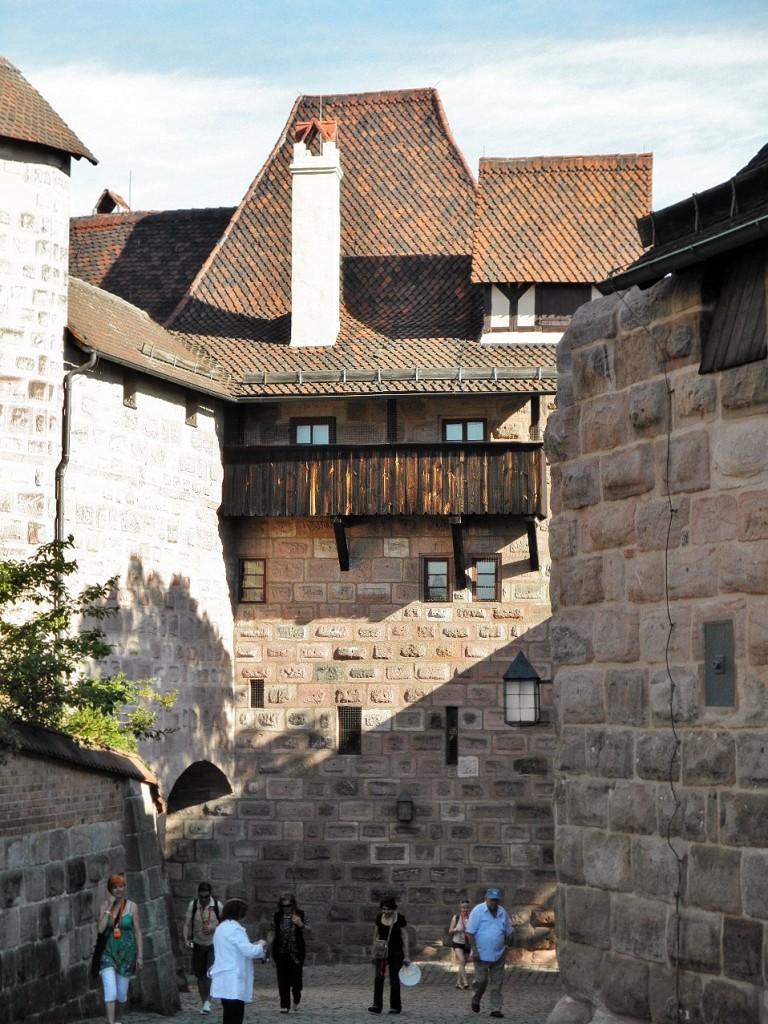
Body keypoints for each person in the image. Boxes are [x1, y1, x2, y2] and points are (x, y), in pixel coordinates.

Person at [208, 898, 267, 1024]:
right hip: (233, 977)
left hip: (224, 975)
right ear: (240, 914)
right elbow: (249, 951)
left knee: (228, 1014)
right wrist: (261, 945)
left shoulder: (221, 928)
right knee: (235, 1015)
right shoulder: (235, 929)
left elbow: (235, 948)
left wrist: (251, 945)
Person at [95, 874, 144, 1024]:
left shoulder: (132, 907)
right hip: (108, 953)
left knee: (121, 995)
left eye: (121, 886)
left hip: (127, 955)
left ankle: (117, 1020)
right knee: (110, 992)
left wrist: (140, 955)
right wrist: (109, 908)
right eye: (115, 887)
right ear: (110, 889)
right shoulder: (104, 906)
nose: (118, 890)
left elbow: (137, 932)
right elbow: (101, 929)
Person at [465, 888, 513, 1018]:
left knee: (497, 983)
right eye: (492, 900)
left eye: (496, 900)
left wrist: (507, 945)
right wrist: (474, 951)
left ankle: (495, 1009)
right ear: (486, 898)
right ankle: (476, 999)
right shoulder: (478, 911)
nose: (494, 903)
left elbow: (509, 931)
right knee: (481, 981)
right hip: (481, 954)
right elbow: (470, 932)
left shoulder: (502, 912)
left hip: (499, 954)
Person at [183, 881, 224, 1014]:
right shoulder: (193, 905)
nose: (204, 899)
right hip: (198, 944)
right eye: (201, 897)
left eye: (206, 897)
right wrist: (185, 939)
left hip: (212, 944)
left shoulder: (218, 906)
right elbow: (187, 923)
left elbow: (225, 925)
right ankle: (204, 1002)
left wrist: (213, 927)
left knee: (210, 973)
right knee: (200, 975)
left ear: (210, 895)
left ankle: (208, 1001)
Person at [266, 892, 311, 1013]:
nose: (286, 908)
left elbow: (308, 930)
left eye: (288, 905)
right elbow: (272, 932)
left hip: (297, 952)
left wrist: (300, 924)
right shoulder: (277, 916)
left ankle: (296, 997)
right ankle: (284, 1004)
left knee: (296, 978)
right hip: (280, 951)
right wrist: (266, 948)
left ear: (293, 905)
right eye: (283, 906)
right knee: (282, 977)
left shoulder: (300, 914)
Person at [368, 896, 410, 1015]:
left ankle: (395, 1006)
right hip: (382, 953)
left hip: (396, 952)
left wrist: (407, 955)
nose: (386, 912)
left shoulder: (399, 918)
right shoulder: (379, 918)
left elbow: (405, 937)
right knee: (379, 978)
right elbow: (375, 936)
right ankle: (377, 1005)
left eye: (388, 910)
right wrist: (373, 953)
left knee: (394, 979)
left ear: (393, 909)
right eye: (384, 909)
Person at [448, 898, 471, 988]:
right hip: (457, 942)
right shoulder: (456, 917)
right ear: (460, 908)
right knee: (462, 960)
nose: (465, 909)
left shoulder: (471, 918)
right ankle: (465, 982)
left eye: (467, 908)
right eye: (463, 908)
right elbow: (450, 930)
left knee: (463, 964)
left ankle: (458, 982)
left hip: (467, 942)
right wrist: (456, 929)